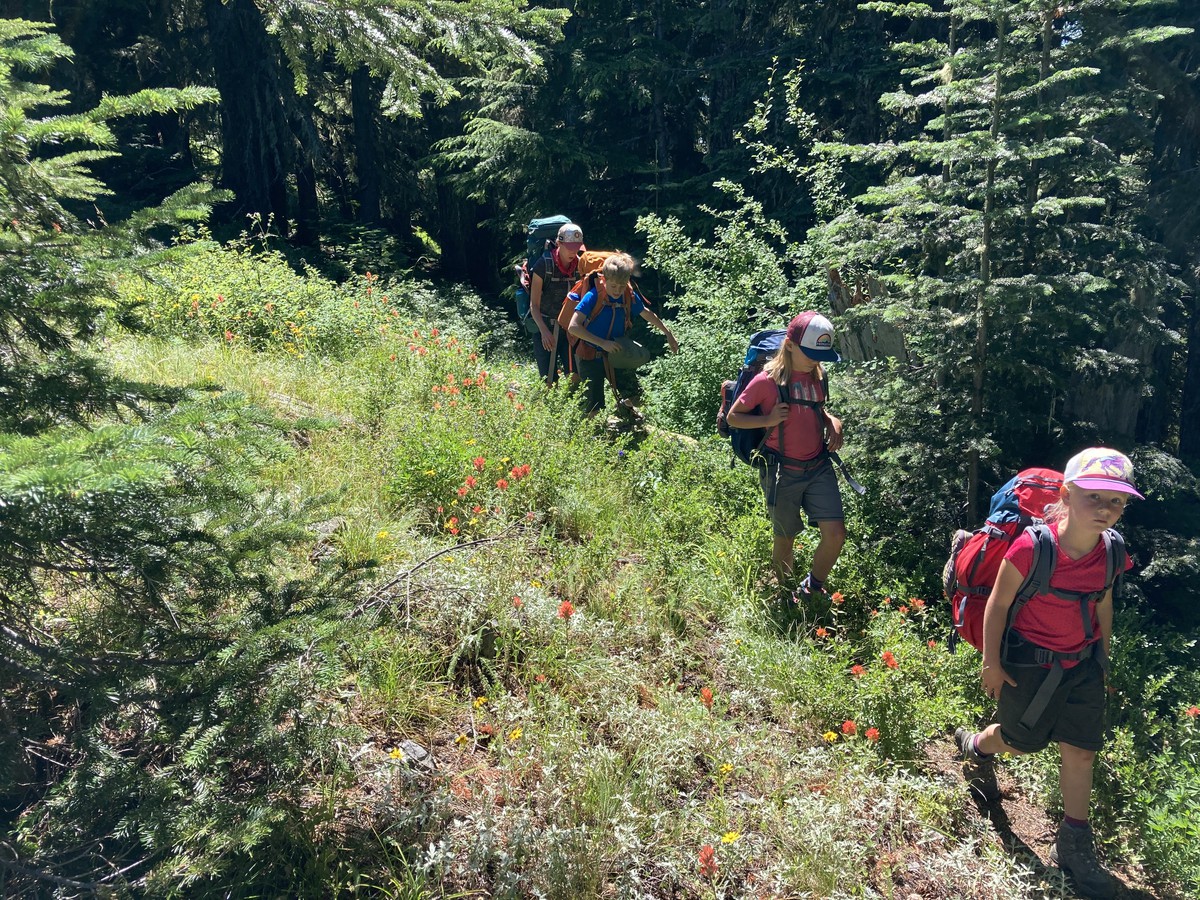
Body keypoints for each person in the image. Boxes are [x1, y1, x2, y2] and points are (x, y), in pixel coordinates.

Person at [954, 447, 1141, 900]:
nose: (1106, 509)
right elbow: (998, 605)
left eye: (1116, 501)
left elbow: (1102, 604)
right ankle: (977, 746)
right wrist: (991, 663)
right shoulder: (1032, 546)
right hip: (1028, 663)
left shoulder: (1112, 550)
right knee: (1021, 741)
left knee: (1081, 753)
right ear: (1066, 493)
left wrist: (1104, 659)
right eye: (1094, 497)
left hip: (1083, 665)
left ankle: (1074, 845)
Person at [725, 312, 845, 595]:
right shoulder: (767, 381)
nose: (816, 360)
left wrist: (831, 421)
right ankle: (786, 594)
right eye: (811, 353)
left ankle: (811, 588)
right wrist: (767, 420)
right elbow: (734, 418)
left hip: (818, 466)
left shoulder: (818, 375)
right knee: (785, 539)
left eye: (821, 354)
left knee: (836, 535)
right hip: (782, 471)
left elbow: (815, 408)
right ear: (789, 346)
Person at [565, 252, 678, 415]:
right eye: (613, 286)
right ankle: (595, 437)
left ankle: (626, 424)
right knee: (593, 407)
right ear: (604, 279)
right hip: (590, 355)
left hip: (617, 353)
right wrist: (603, 343)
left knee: (636, 397)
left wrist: (668, 333)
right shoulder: (593, 296)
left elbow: (646, 313)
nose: (617, 290)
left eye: (622, 285)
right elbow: (573, 327)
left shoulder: (627, 296)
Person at [529, 222, 584, 384]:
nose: (573, 251)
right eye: (569, 247)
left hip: (569, 329)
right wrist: (544, 332)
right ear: (559, 244)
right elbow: (534, 305)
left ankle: (576, 408)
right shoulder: (543, 265)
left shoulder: (580, 265)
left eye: (576, 246)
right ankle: (550, 408)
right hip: (545, 326)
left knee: (575, 377)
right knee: (548, 381)